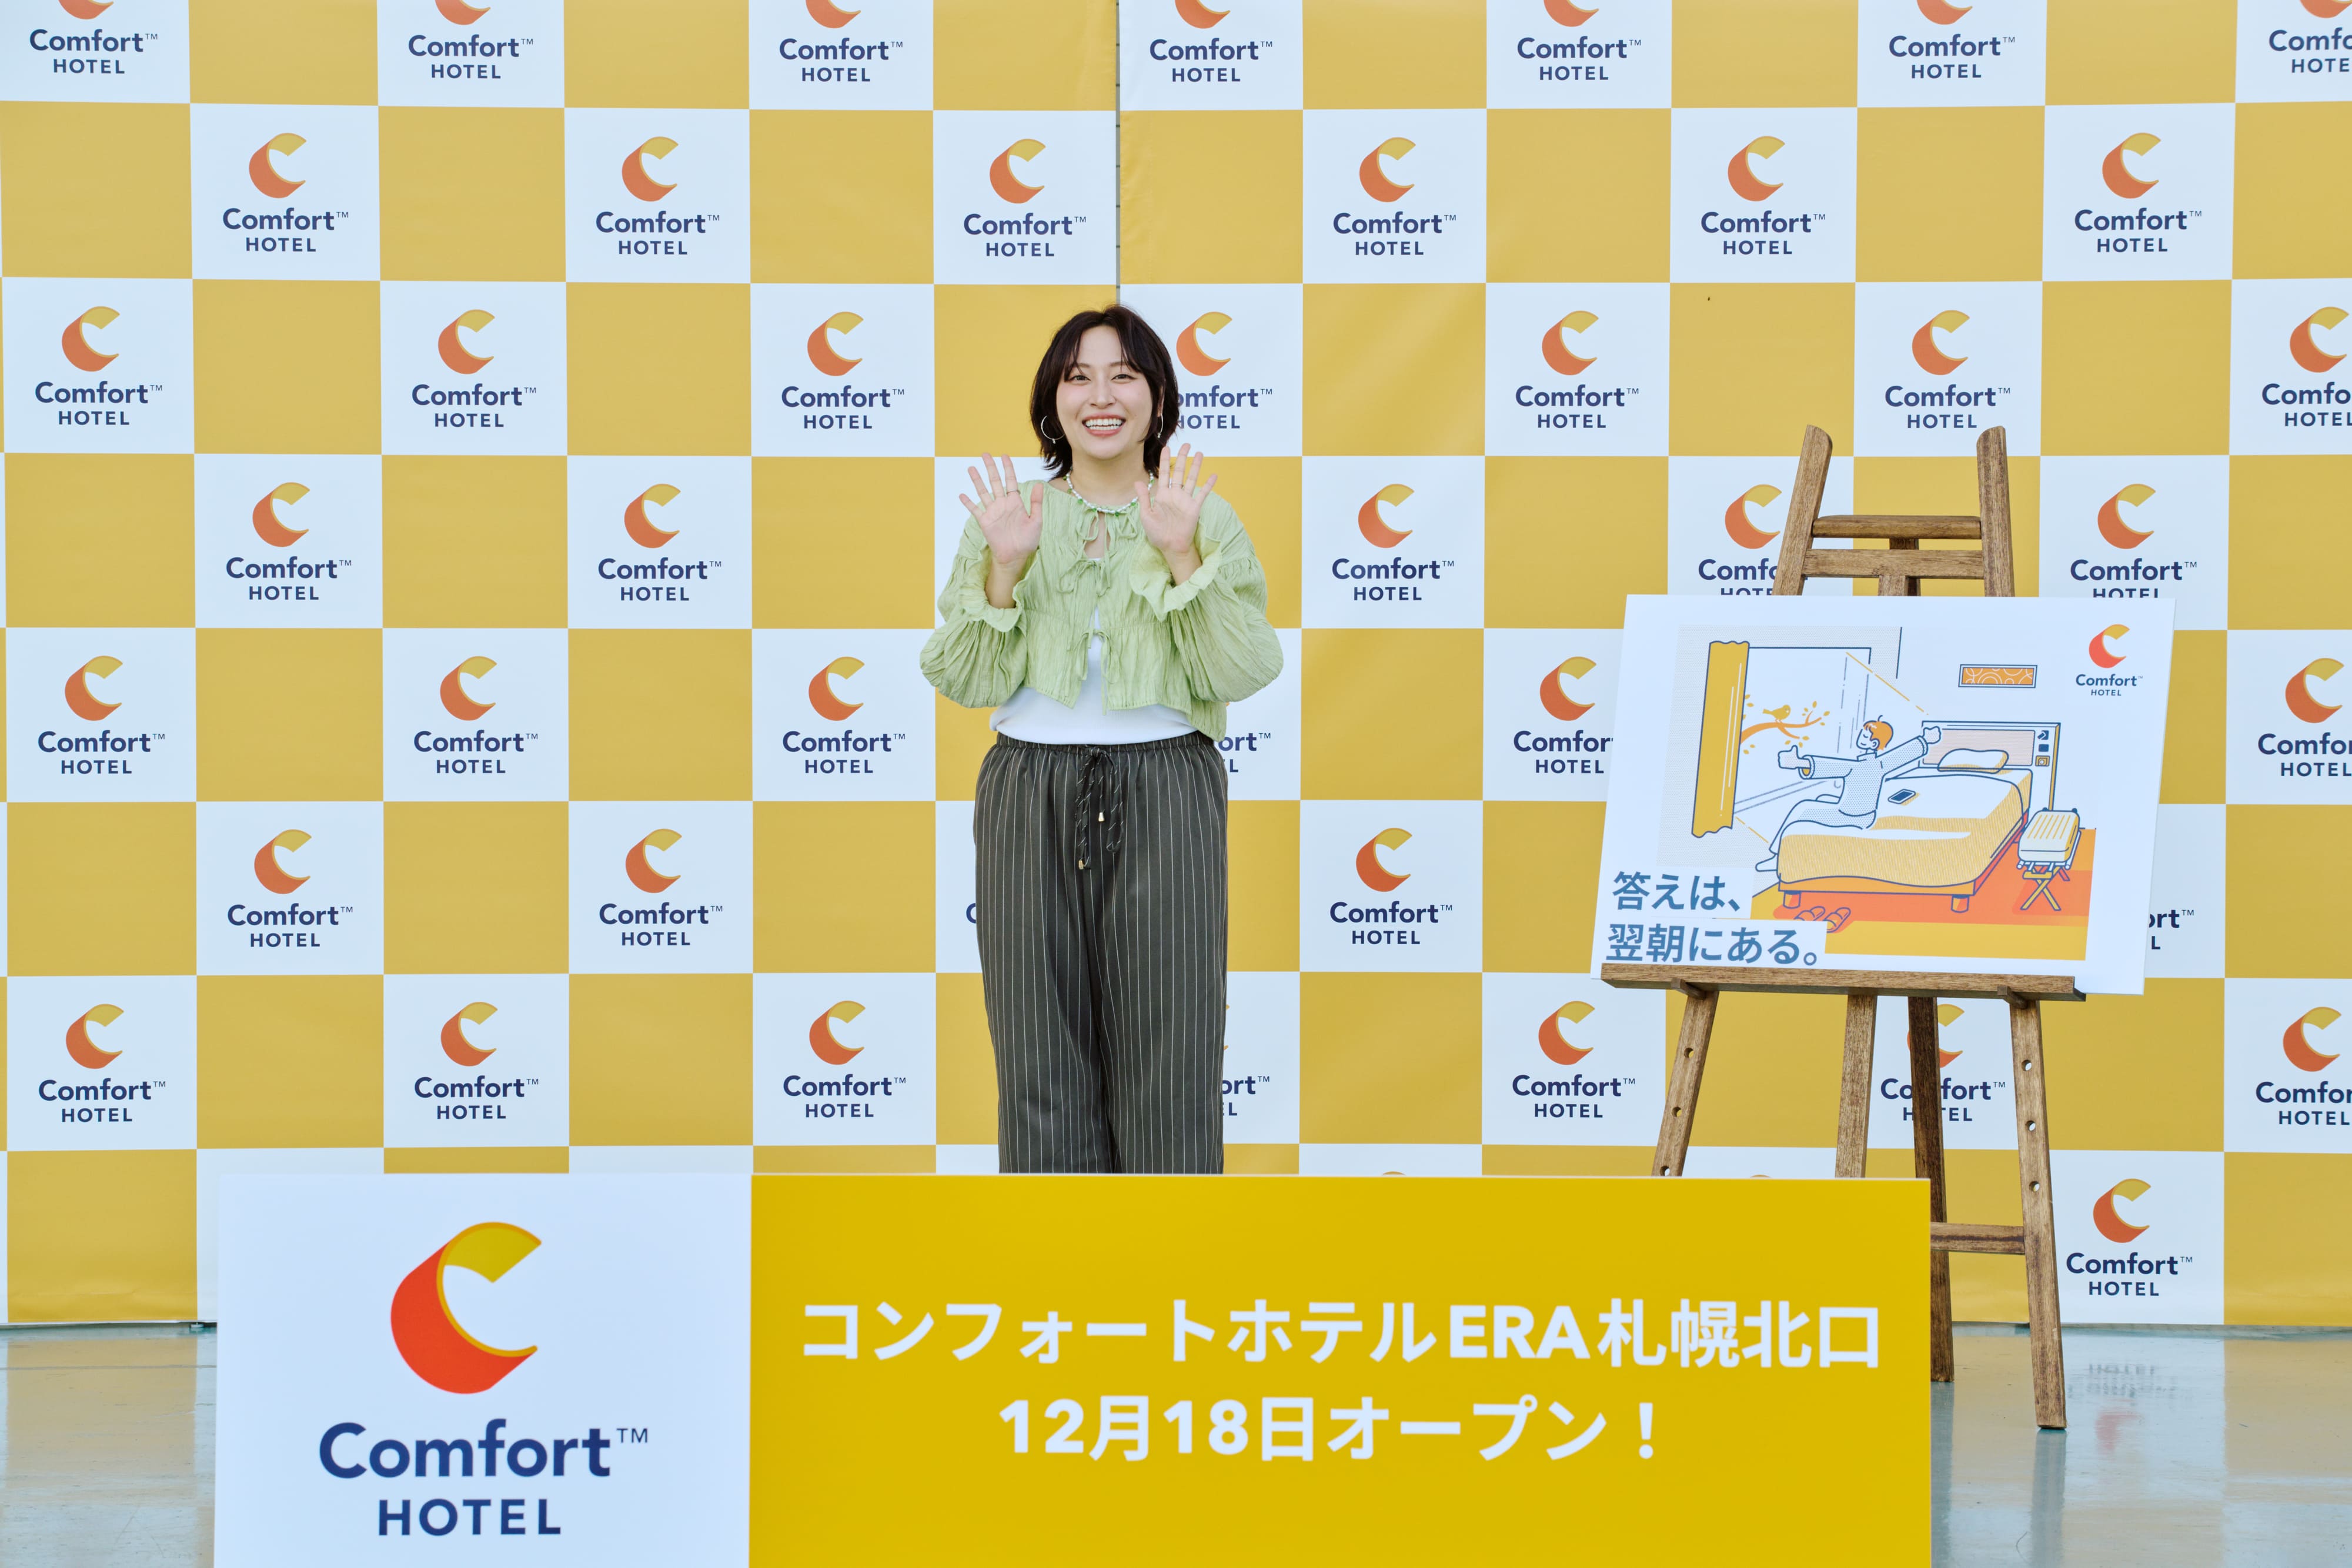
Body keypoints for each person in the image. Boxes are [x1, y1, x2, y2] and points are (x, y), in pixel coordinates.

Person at [919, 306, 1282, 1174]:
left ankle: (1167, 1245)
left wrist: (1183, 554)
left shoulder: (1203, 516)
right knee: (1035, 1043)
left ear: (1158, 398)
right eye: (1078, 376)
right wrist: (1003, 570)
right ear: (1053, 398)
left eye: (1124, 375)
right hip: (1027, 786)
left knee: (1171, 1046)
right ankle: (1058, 1245)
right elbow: (964, 678)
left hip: (1168, 786)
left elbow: (1242, 668)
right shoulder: (1008, 517)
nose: (1101, 396)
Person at [1755, 719, 1940, 875]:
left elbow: (1831, 766)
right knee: (1823, 798)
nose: (1861, 736)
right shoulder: (1881, 763)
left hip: (1850, 817)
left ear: (1874, 744)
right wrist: (1926, 740)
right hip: (1865, 816)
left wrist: (1799, 763)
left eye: (1866, 736)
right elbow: (1904, 754)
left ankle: (1777, 857)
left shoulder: (1859, 767)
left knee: (1802, 809)